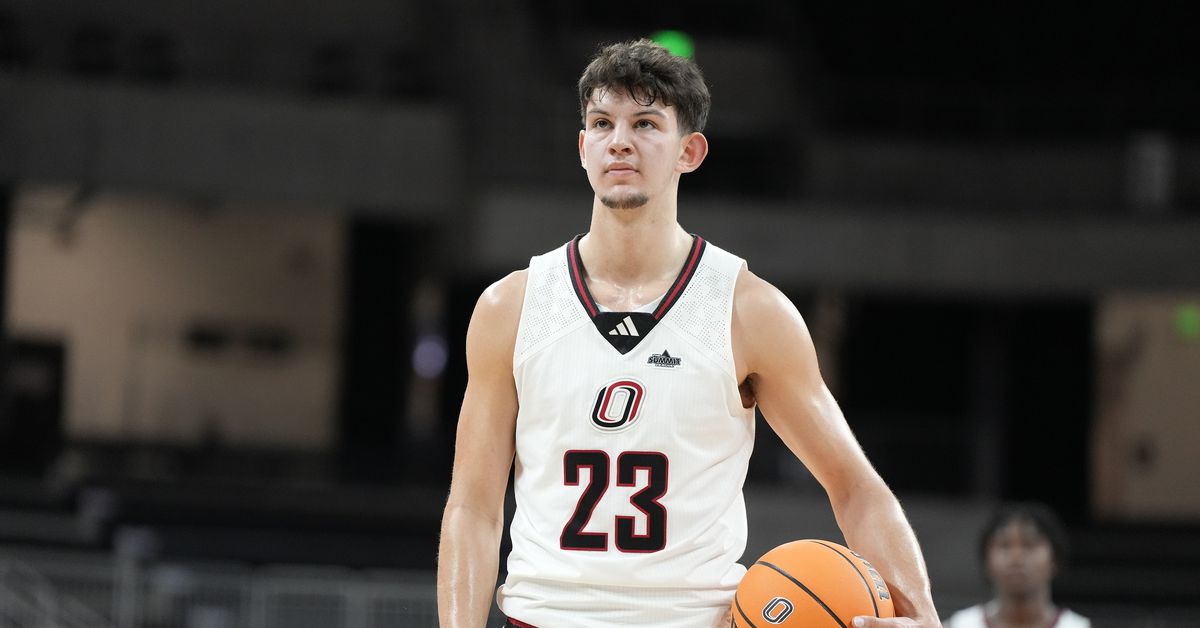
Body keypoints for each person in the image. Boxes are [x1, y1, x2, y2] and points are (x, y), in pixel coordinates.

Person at [437, 39, 940, 628]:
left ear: (690, 151)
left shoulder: (750, 311)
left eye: (645, 123)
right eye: (601, 123)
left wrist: (925, 617)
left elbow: (855, 486)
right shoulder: (511, 307)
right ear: (582, 147)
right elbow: (472, 507)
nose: (619, 140)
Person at [944, 503, 1090, 628]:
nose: (1016, 557)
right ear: (986, 560)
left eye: (1029, 544)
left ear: (1054, 559)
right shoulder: (959, 625)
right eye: (1004, 545)